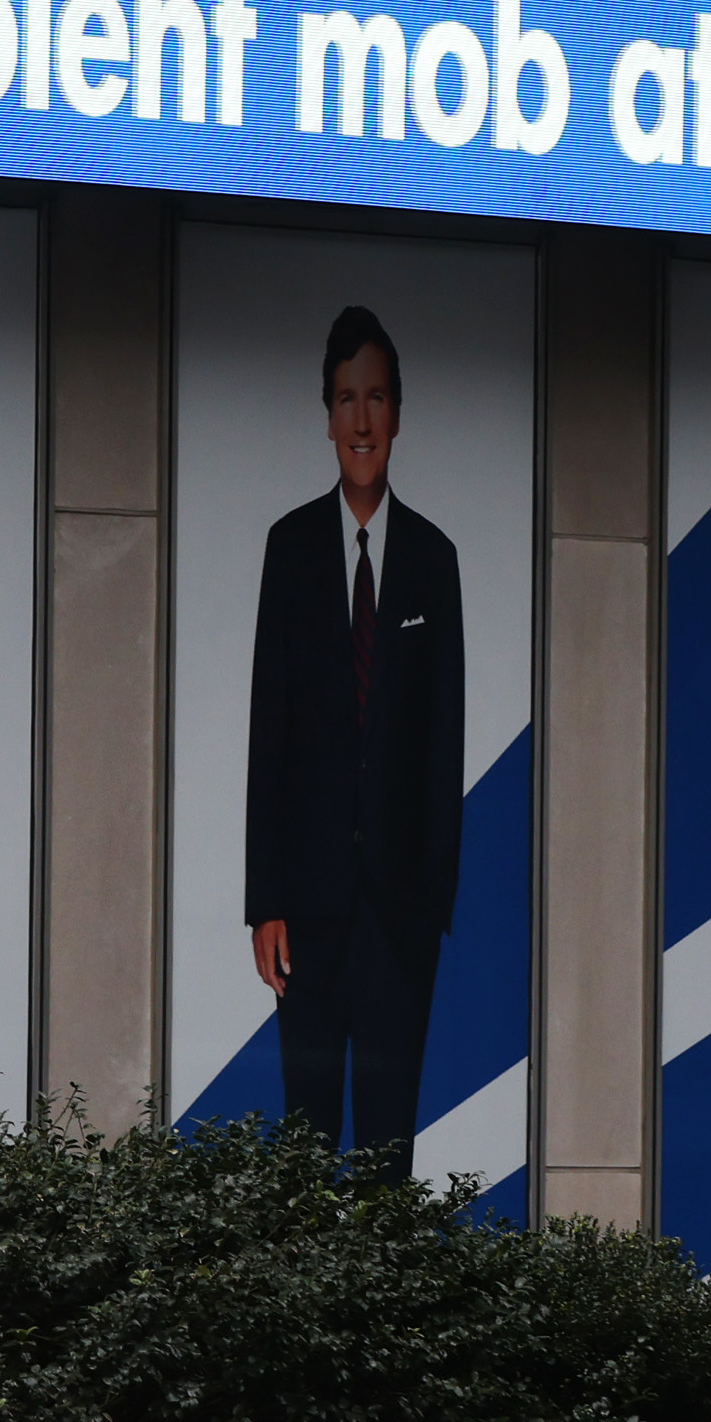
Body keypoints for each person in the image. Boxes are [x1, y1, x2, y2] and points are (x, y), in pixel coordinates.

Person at [244, 305, 468, 1174]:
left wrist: (431, 907)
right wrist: (264, 899)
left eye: (377, 399)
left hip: (398, 919)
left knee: (385, 1156)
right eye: (346, 400)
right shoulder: (290, 549)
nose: (362, 420)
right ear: (328, 416)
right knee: (302, 1151)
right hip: (304, 910)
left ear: (398, 413)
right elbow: (270, 731)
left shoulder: (433, 559)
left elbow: (442, 743)